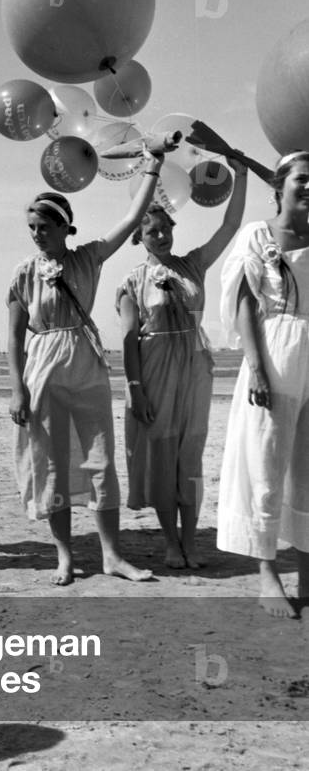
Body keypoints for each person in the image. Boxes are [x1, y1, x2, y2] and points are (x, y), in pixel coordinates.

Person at [8, 148, 171, 587]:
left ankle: (112, 556)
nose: (37, 234)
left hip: (87, 370)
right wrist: (17, 389)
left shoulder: (88, 258)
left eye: (44, 226)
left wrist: (151, 165)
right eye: (32, 228)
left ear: (65, 226)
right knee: (54, 466)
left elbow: (133, 214)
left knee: (100, 462)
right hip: (42, 371)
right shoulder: (24, 273)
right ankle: (64, 556)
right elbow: (14, 336)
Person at [117, 160, 247, 569]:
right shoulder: (132, 282)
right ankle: (170, 543)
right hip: (153, 373)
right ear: (139, 237)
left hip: (194, 369)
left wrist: (240, 177)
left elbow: (229, 228)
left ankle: (190, 541)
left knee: (190, 456)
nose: (161, 235)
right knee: (161, 458)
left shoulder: (193, 265)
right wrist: (135, 390)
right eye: (152, 231)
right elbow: (126, 339)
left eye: (166, 228)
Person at [218, 151, 309, 618]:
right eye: (303, 179)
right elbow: (245, 306)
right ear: (280, 185)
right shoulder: (258, 235)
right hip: (275, 353)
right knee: (266, 462)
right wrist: (255, 368)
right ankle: (267, 575)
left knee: (308, 468)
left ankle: (307, 573)